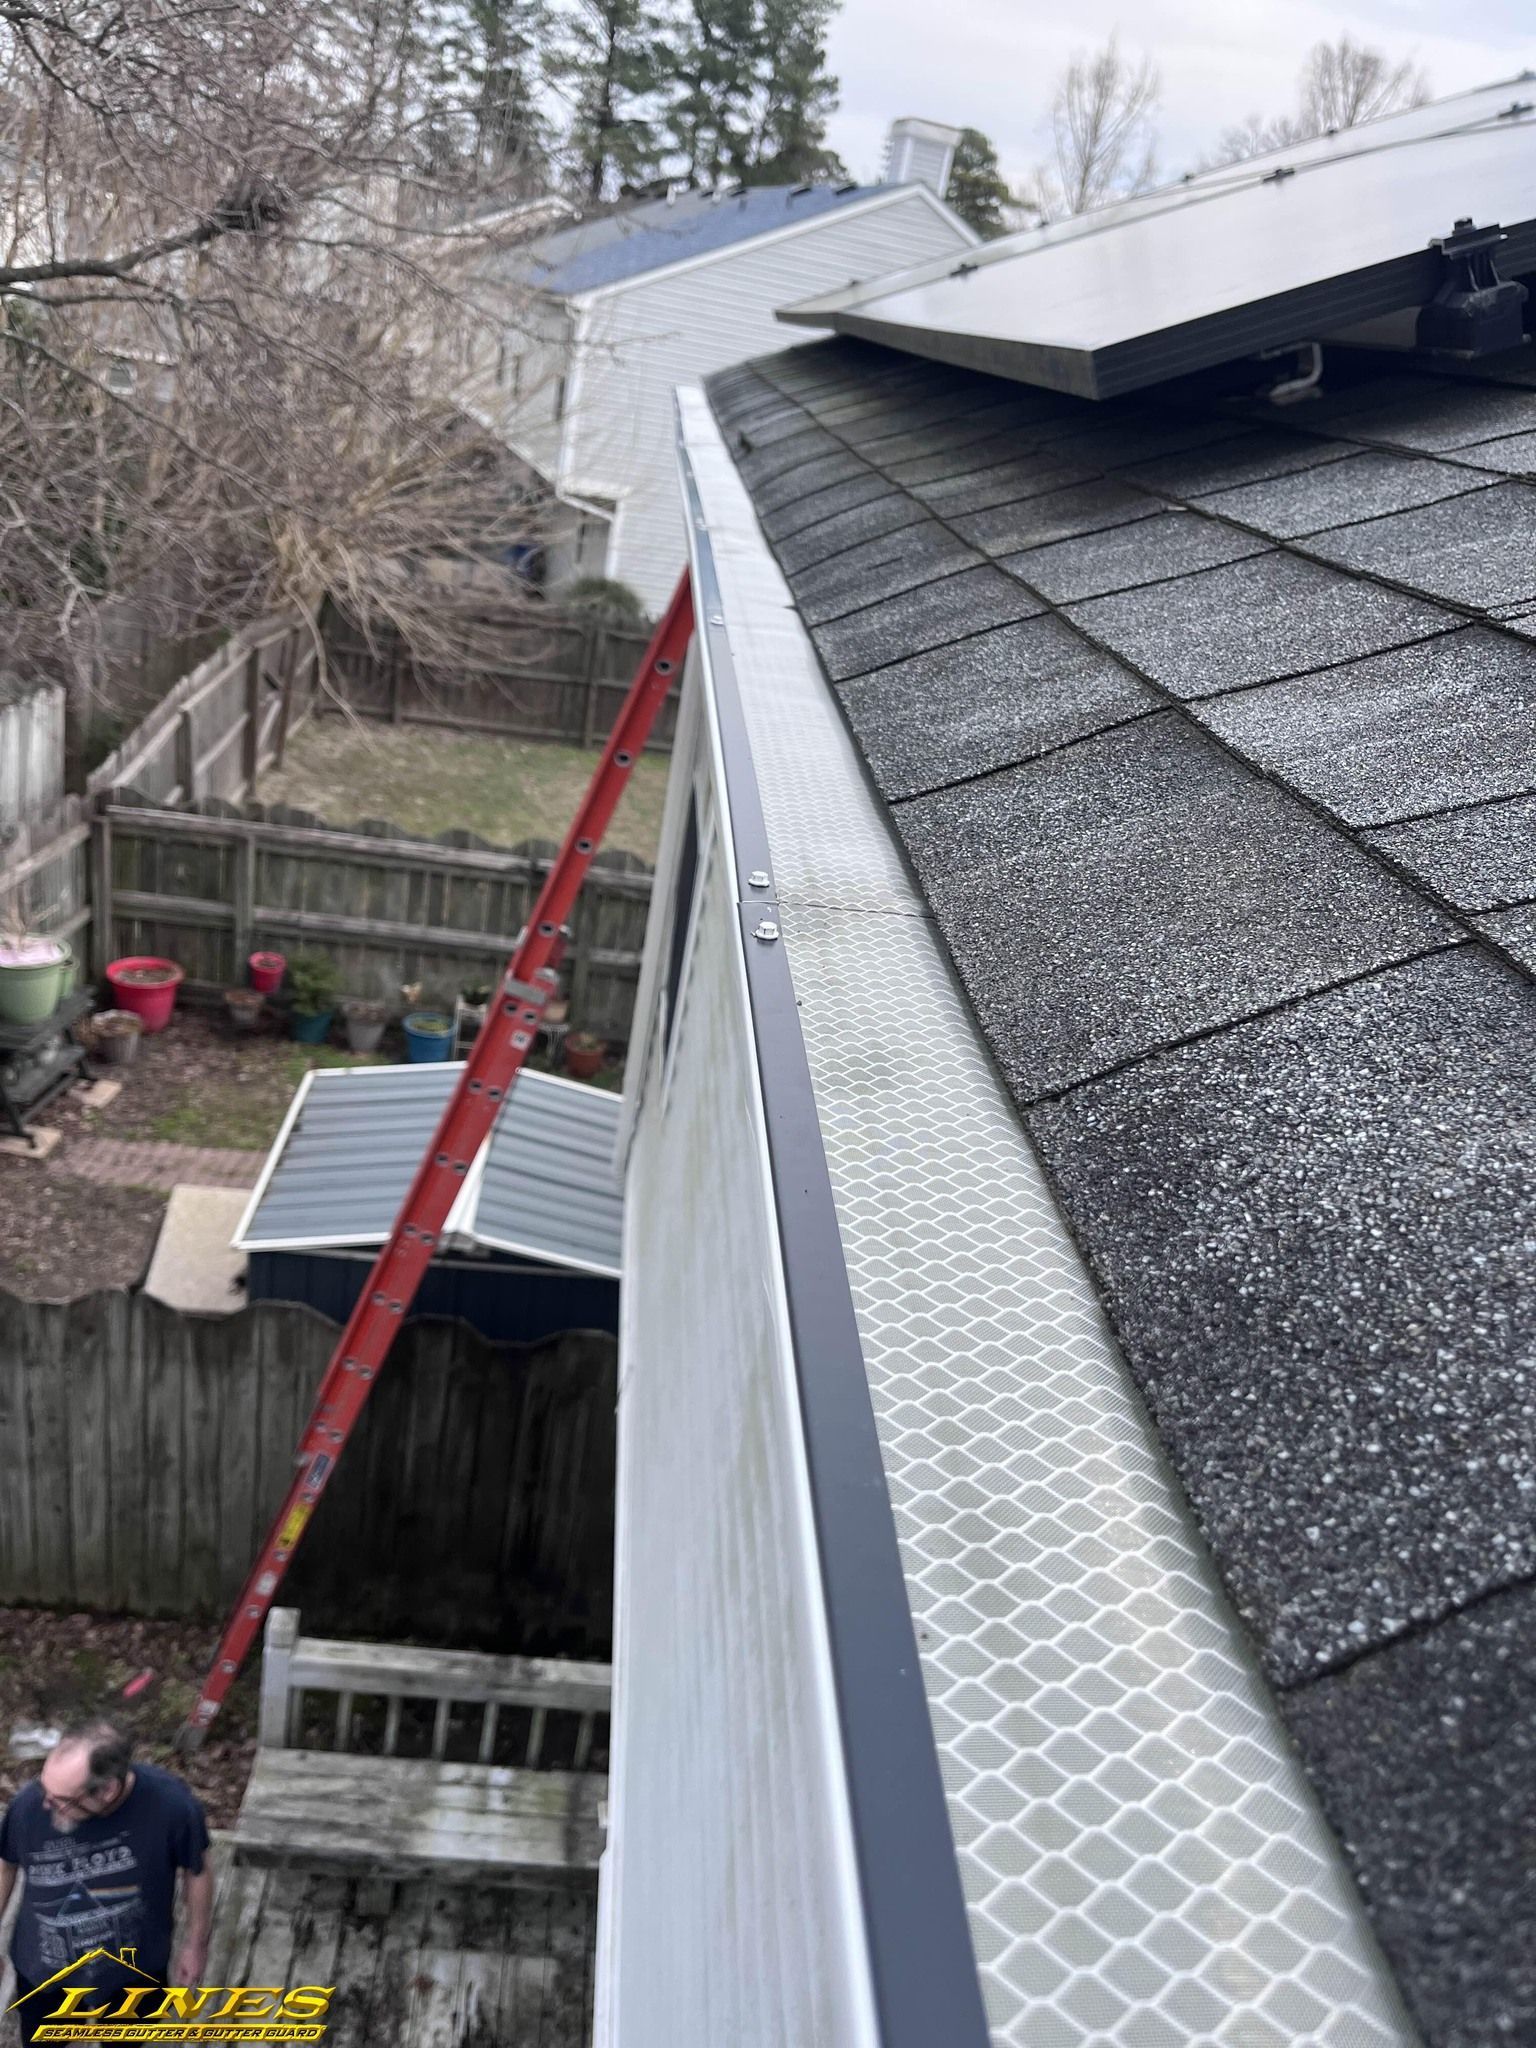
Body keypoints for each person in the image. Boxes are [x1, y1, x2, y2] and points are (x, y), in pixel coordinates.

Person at [0, 1722, 212, 2043]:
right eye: (45, 1788)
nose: (45, 1804)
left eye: (61, 1799)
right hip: (44, 1970)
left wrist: (196, 1944)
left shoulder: (172, 1806)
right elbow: (5, 1866)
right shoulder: (28, 1807)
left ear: (107, 1790)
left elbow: (197, 1871)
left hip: (133, 1970)